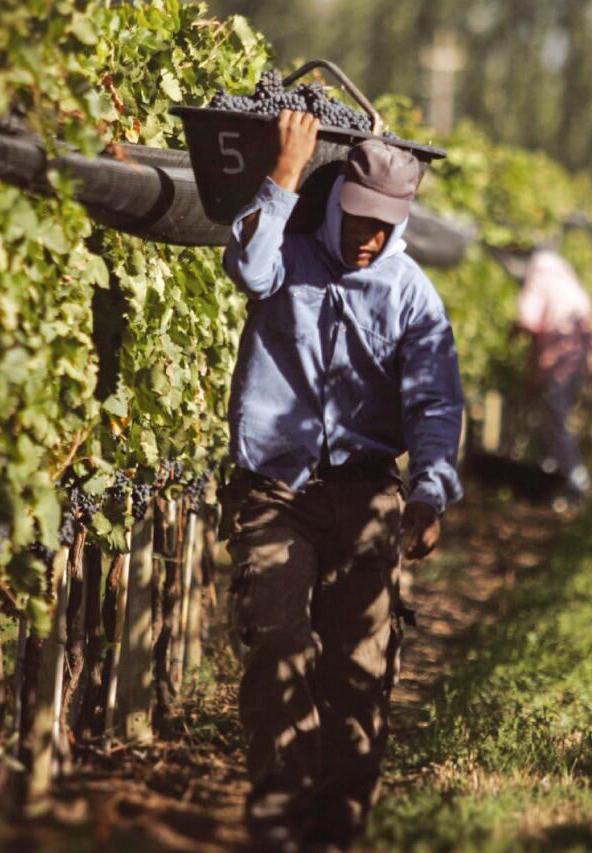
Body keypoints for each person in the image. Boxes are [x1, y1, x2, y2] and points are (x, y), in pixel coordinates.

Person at [218, 110, 464, 851]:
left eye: (385, 227)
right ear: (335, 204)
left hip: (365, 494)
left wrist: (429, 490)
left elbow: (435, 400)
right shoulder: (286, 253)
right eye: (358, 220)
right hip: (277, 490)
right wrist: (286, 174)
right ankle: (278, 823)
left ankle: (337, 828)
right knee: (279, 646)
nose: (368, 238)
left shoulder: (411, 294)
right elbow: (246, 268)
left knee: (359, 671)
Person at [514, 245, 592, 510]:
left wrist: (513, 335)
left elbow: (528, 318)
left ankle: (575, 480)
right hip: (576, 358)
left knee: (556, 420)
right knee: (556, 418)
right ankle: (552, 475)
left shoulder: (539, 275)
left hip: (558, 358)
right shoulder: (565, 276)